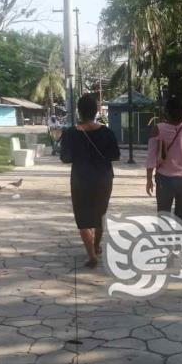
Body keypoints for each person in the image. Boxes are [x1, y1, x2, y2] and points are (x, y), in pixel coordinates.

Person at [60, 94, 121, 268]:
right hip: (103, 178)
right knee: (100, 214)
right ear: (95, 111)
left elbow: (65, 158)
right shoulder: (107, 132)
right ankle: (96, 245)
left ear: (79, 111)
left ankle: (91, 255)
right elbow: (115, 155)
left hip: (80, 179)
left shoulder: (70, 133)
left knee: (83, 217)